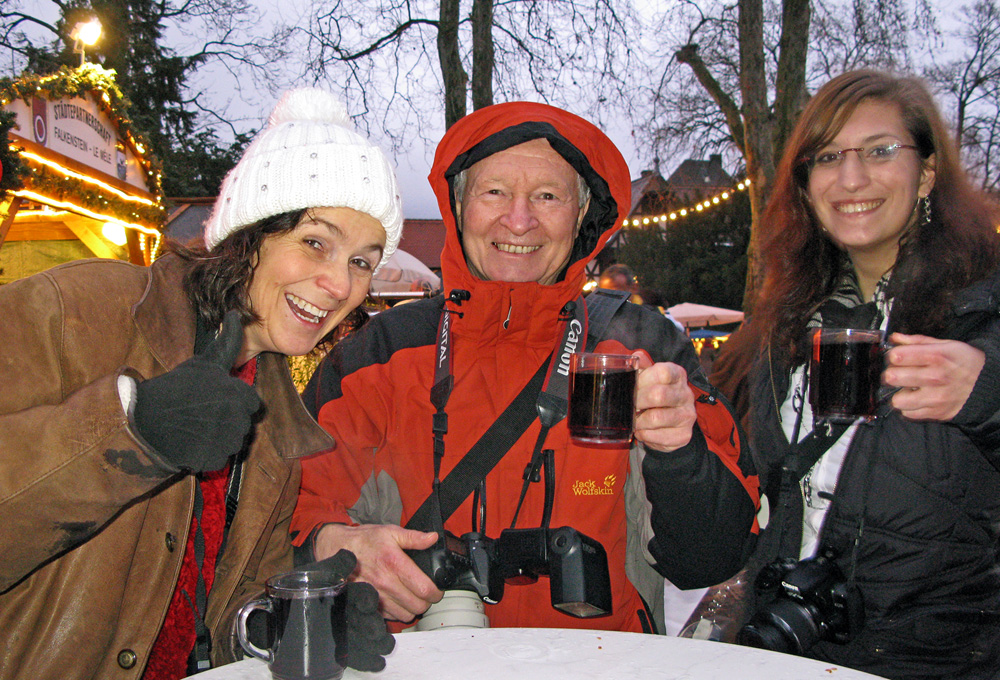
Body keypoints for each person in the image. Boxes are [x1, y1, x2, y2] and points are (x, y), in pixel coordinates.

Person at [292, 101, 759, 635]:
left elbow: (713, 559)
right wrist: (335, 545)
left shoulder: (642, 348)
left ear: (583, 217)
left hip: (598, 670)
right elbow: (286, 509)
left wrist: (679, 453)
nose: (519, 219)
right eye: (494, 192)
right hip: (414, 668)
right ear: (459, 205)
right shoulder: (381, 352)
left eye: (547, 196)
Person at [0, 87, 400, 679]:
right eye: (315, 242)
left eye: (362, 262)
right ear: (248, 235)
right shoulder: (72, 311)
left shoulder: (275, 422)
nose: (340, 285)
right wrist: (132, 429)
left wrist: (296, 619)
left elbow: (215, 618)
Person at [739, 69, 1000, 678]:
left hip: (939, 661)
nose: (851, 178)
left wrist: (988, 393)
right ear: (805, 184)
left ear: (927, 172)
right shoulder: (787, 320)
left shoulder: (983, 304)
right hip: (794, 649)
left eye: (880, 151)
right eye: (828, 157)